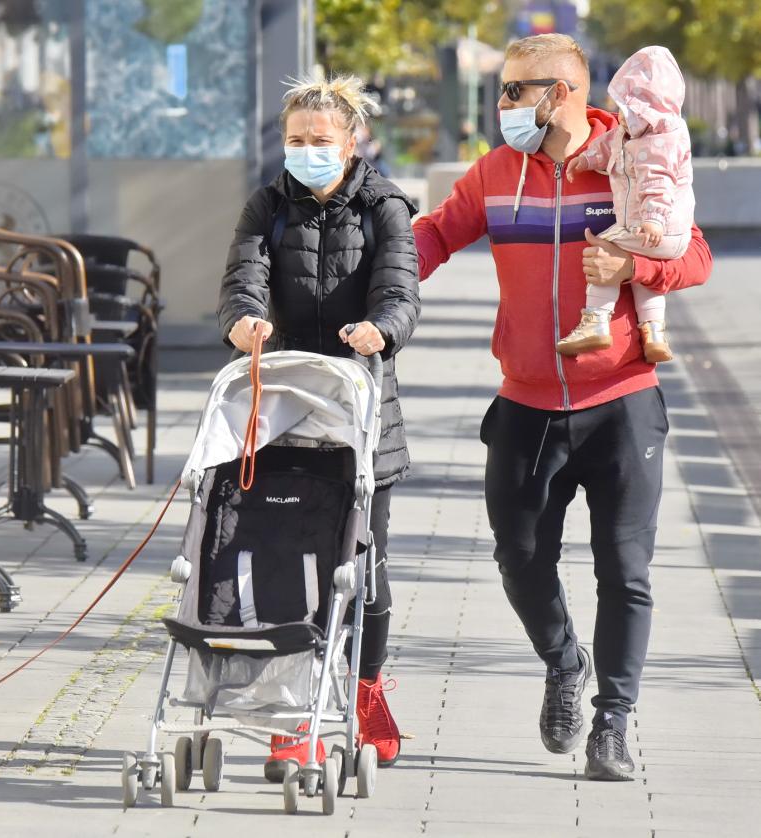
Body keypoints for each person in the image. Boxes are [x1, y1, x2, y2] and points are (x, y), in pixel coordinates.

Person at [412, 34, 711, 781]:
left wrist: (635, 263)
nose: (504, 105)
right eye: (502, 91)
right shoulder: (495, 173)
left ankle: (613, 721)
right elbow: (433, 237)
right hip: (525, 404)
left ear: (567, 92)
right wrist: (365, 280)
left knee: (627, 570)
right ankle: (561, 659)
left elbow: (695, 254)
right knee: (518, 559)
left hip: (622, 402)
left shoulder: (632, 158)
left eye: (517, 91)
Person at [219, 73, 420, 778]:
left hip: (362, 412)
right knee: (279, 565)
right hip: (281, 407)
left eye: (320, 141)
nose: (307, 151)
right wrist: (243, 323)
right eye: (296, 140)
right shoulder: (267, 206)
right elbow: (242, 279)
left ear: (352, 140)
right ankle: (290, 711)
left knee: (363, 570)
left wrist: (381, 329)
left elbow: (400, 289)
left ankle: (365, 691)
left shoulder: (386, 207)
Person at [557, 46, 695, 363]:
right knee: (644, 276)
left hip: (659, 227)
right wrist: (586, 160)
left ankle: (595, 320)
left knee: (603, 249)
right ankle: (654, 331)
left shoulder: (658, 141)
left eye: (626, 107)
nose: (620, 115)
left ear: (645, 108)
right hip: (663, 234)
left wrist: (654, 220)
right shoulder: (631, 133)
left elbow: (658, 182)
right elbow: (608, 147)